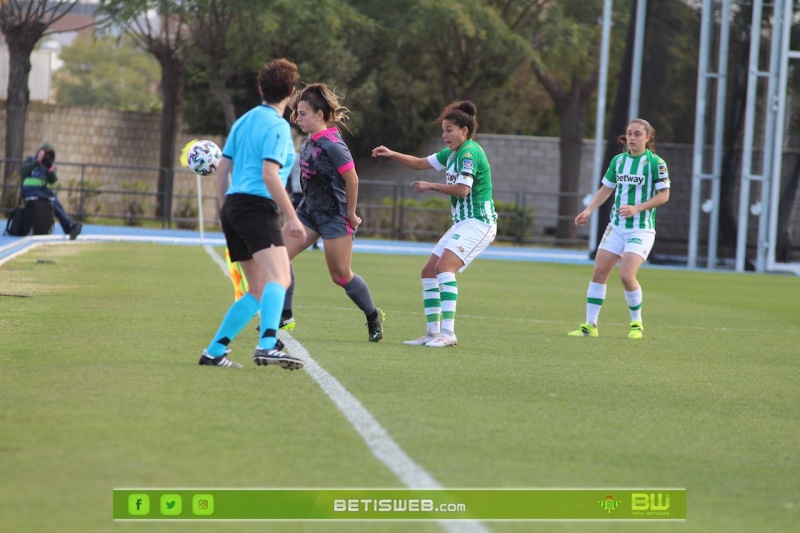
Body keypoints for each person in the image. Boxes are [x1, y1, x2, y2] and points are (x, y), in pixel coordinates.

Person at [198, 58, 307, 369]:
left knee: (258, 290)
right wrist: (293, 216)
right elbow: (270, 175)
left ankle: (214, 351)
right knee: (280, 277)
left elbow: (222, 170)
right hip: (256, 206)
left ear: (260, 88)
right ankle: (268, 344)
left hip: (233, 205)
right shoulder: (277, 126)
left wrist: (225, 213)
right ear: (292, 91)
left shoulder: (243, 121)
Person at [372, 100, 497, 348]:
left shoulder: (469, 152)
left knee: (444, 268)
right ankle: (432, 333)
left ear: (464, 130)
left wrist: (431, 186)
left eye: (449, 129)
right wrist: (392, 153)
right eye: (443, 130)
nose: (444, 135)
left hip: (479, 222)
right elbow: (420, 163)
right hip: (463, 223)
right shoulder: (451, 154)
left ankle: (448, 333)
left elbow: (462, 190)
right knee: (429, 271)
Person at [281, 83, 384, 341]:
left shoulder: (334, 146)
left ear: (320, 115)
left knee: (340, 276)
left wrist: (351, 214)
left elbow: (353, 179)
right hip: (308, 214)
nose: (298, 119)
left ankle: (373, 315)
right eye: (297, 113)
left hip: (334, 218)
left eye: (303, 113)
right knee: (278, 257)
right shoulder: (310, 139)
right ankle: (284, 315)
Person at [567, 118, 671, 340]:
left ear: (648, 137)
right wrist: (588, 211)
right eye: (629, 133)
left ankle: (636, 323)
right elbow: (606, 189)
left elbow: (664, 195)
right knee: (599, 271)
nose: (631, 138)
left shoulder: (656, 163)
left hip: (640, 229)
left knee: (626, 274)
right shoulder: (618, 161)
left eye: (637, 134)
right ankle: (590, 325)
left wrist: (638, 208)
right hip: (616, 227)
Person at [20, 143, 82, 240]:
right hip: (31, 191)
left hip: (45, 192)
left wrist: (49, 168)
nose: (46, 157)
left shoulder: (49, 165)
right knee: (49, 199)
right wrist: (37, 161)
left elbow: (53, 179)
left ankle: (70, 226)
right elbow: (23, 172)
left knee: (54, 201)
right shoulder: (30, 160)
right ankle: (68, 226)